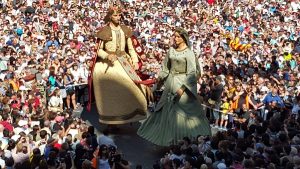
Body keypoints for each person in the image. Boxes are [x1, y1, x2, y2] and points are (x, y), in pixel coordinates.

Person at [137, 28, 211, 146]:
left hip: (183, 85)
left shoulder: (189, 53)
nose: (175, 38)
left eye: (178, 36)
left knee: (182, 114)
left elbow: (192, 73)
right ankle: (167, 140)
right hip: (170, 84)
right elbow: (165, 69)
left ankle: (182, 142)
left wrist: (182, 88)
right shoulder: (171, 51)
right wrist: (158, 80)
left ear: (184, 38)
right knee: (165, 111)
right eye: (174, 36)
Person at [90, 5, 148, 125]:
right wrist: (107, 56)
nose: (118, 17)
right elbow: (98, 50)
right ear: (110, 17)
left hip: (123, 60)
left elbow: (131, 48)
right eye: (115, 15)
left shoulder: (124, 29)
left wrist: (135, 60)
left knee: (136, 86)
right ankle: (111, 119)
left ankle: (131, 114)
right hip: (108, 63)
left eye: (119, 15)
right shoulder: (104, 31)